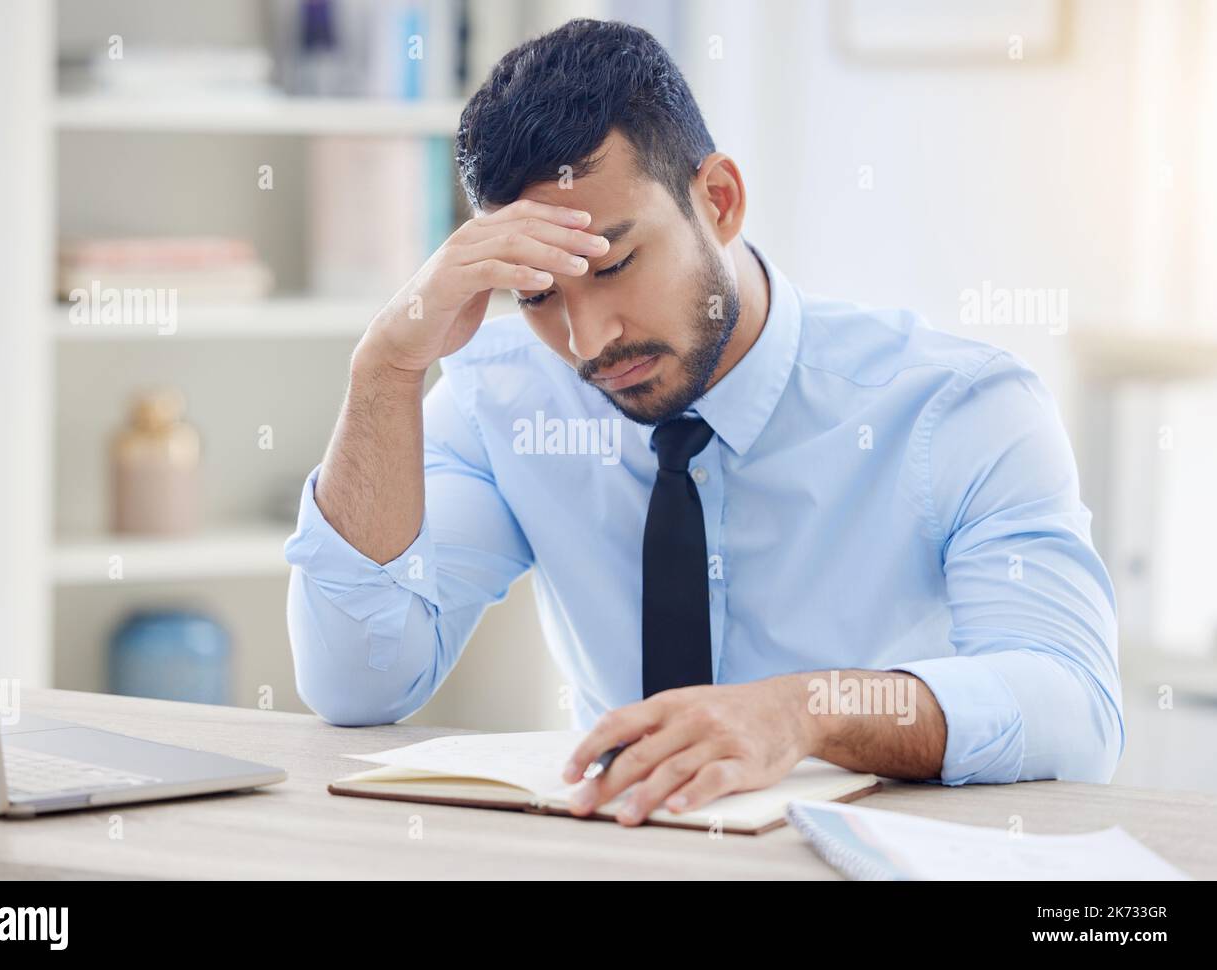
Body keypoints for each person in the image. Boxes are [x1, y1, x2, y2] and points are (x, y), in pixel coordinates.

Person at [285, 18, 1122, 826]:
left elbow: (1073, 707)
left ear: (718, 200)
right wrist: (385, 369)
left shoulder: (958, 406)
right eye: (537, 292)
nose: (588, 341)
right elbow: (358, 683)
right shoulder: (501, 399)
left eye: (613, 265)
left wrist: (808, 711)